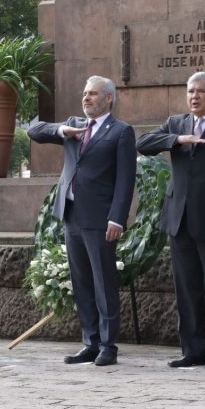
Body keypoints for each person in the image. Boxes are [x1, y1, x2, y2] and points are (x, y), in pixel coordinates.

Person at [136, 71, 205, 370]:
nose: (194, 96)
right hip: (179, 220)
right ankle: (192, 350)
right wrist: (176, 140)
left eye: (200, 91)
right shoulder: (176, 123)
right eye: (190, 91)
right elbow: (143, 143)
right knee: (187, 288)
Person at [28, 75, 136, 367]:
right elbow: (35, 130)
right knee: (81, 283)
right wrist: (62, 130)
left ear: (108, 98)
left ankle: (108, 345)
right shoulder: (74, 124)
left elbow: (125, 181)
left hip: (101, 219)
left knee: (103, 282)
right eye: (84, 93)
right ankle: (90, 342)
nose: (86, 98)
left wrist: (117, 218)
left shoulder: (121, 132)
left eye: (93, 94)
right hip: (71, 215)